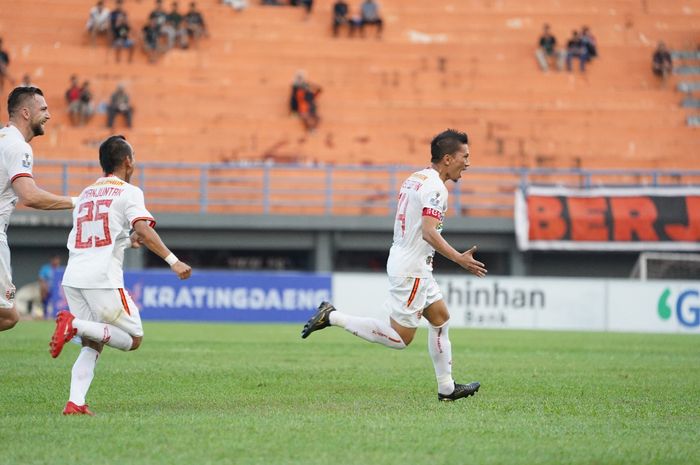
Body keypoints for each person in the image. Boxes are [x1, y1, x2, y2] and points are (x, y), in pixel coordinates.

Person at [301, 129, 487, 402]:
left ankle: (447, 388)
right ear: (448, 159)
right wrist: (459, 258)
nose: (468, 163)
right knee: (401, 339)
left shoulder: (416, 178)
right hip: (411, 268)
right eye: (465, 156)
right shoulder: (436, 187)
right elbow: (428, 232)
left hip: (411, 262)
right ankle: (332, 316)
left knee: (440, 318)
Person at [49, 135, 192, 415]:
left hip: (74, 277)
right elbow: (144, 227)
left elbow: (94, 237)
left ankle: (75, 402)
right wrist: (173, 261)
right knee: (134, 338)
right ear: (127, 161)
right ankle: (73, 325)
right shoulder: (129, 191)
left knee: (94, 342)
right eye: (134, 156)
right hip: (101, 278)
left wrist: (127, 241)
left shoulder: (87, 193)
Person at [0, 86, 77, 331]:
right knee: (8, 316)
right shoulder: (18, 147)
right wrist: (77, 202)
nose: (49, 115)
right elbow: (30, 196)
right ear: (25, 113)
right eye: (43, 109)